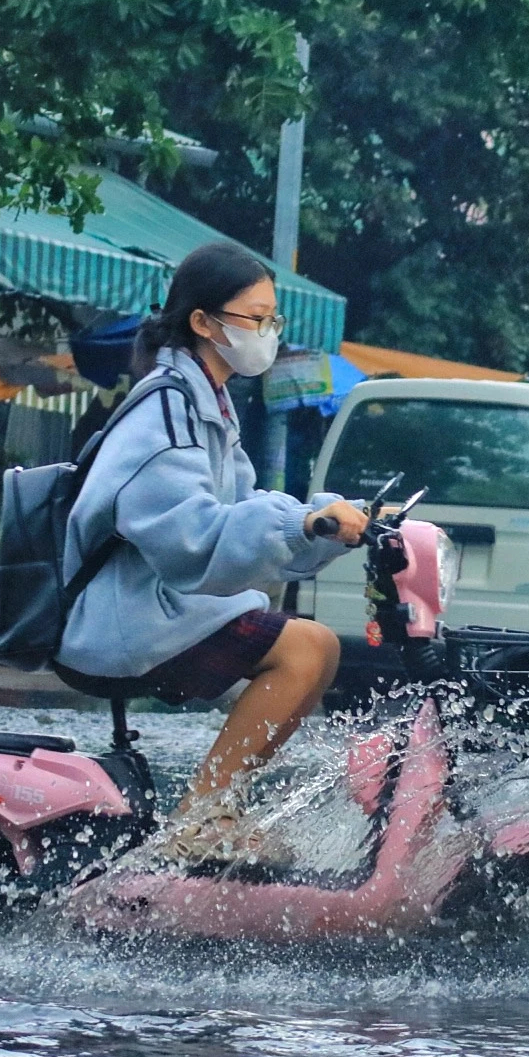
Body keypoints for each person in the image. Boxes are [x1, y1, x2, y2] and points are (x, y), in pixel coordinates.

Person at [55, 241, 369, 825]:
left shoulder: (207, 403)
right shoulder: (166, 409)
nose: (269, 332)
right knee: (310, 648)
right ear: (202, 321)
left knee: (315, 653)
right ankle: (202, 819)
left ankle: (216, 811)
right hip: (126, 617)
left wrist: (322, 520)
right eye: (257, 318)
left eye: (273, 319)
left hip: (159, 605)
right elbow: (190, 538)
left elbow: (245, 504)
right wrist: (301, 524)